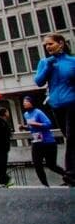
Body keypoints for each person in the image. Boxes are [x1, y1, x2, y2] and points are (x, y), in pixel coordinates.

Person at [33, 33, 74, 186]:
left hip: (72, 103)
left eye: (50, 44)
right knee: (69, 136)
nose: (48, 47)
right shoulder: (45, 62)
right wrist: (48, 67)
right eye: (46, 45)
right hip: (56, 105)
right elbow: (39, 81)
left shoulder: (72, 61)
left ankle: (71, 174)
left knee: (71, 137)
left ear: (61, 43)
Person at [22, 95, 64, 187]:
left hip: (48, 142)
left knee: (51, 165)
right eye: (23, 102)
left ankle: (69, 177)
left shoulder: (38, 112)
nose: (24, 103)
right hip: (37, 142)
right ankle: (45, 185)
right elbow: (31, 127)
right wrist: (24, 127)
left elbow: (48, 124)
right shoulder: (26, 114)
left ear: (31, 102)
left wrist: (37, 124)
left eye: (26, 101)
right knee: (37, 165)